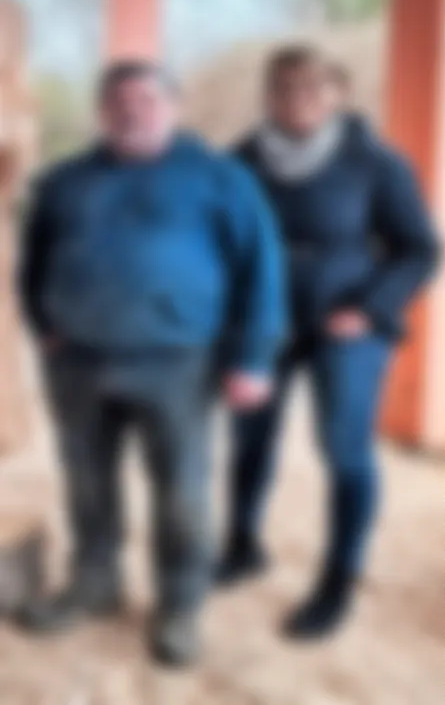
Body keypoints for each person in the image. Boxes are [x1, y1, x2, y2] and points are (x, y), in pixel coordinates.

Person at [17, 61, 286, 666]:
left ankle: (180, 606)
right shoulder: (65, 182)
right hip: (80, 366)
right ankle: (94, 582)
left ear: (172, 107)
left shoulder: (219, 180)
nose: (131, 111)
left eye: (144, 100)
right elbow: (34, 264)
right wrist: (48, 330)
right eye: (119, 102)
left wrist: (251, 359)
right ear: (103, 111)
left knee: (181, 492)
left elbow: (260, 271)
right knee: (88, 485)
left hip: (178, 364)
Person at [217, 45, 436, 638]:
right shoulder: (238, 163)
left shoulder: (374, 163)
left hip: (348, 326)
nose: (298, 100)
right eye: (284, 89)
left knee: (344, 448)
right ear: (269, 96)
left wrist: (368, 309)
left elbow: (416, 249)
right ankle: (240, 544)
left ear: (335, 94)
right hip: (264, 323)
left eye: (311, 88)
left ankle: (337, 581)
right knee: (249, 435)